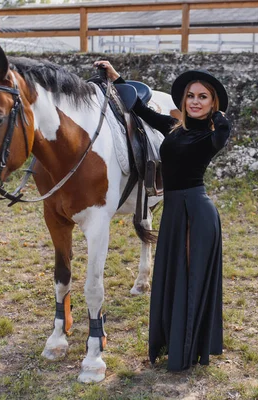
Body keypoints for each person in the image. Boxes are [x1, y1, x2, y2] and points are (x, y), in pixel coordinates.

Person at [93, 61, 231, 371]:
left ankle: (188, 351)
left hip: (196, 212)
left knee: (190, 280)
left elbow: (222, 133)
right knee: (172, 279)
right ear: (183, 101)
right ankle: (173, 344)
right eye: (191, 96)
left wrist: (220, 119)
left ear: (212, 104)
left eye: (203, 97)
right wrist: (117, 79)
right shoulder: (174, 129)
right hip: (172, 211)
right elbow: (140, 108)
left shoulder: (210, 135)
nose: (195, 101)